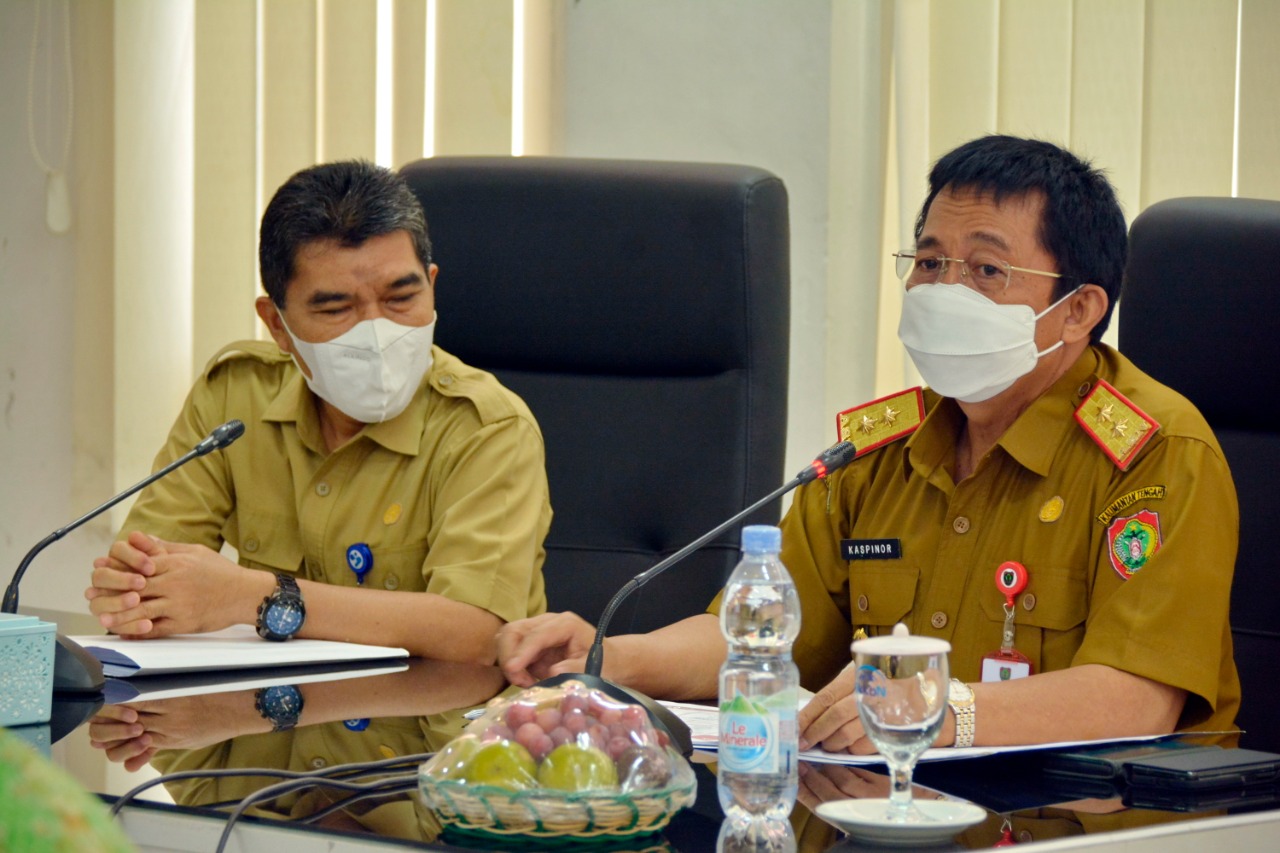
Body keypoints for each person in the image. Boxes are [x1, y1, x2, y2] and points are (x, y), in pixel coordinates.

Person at [497, 135, 1240, 752]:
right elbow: (755, 639)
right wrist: (602, 655)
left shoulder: (1156, 452)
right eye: (928, 261)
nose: (944, 290)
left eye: (986, 269)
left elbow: (1137, 700)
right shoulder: (879, 450)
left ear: (1078, 309)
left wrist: (941, 711)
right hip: (886, 808)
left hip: (1096, 821)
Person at [84, 160, 552, 664]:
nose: (376, 332)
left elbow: (477, 635)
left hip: (425, 725)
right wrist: (133, 591)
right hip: (261, 720)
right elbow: (149, 579)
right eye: (335, 309)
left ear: (432, 284)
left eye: (402, 297)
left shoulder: (488, 428)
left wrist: (252, 596)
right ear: (277, 324)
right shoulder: (235, 396)